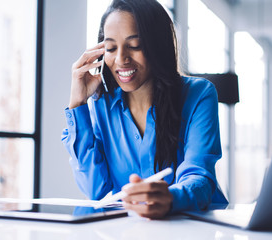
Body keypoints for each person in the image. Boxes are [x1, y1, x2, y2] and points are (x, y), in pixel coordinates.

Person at [62, 0, 227, 219]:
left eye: (135, 45)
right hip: (131, 228)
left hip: (192, 225)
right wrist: (77, 104)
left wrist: (170, 198)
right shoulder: (100, 104)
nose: (121, 59)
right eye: (111, 48)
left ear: (157, 46)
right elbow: (95, 190)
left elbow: (200, 177)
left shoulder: (198, 94)